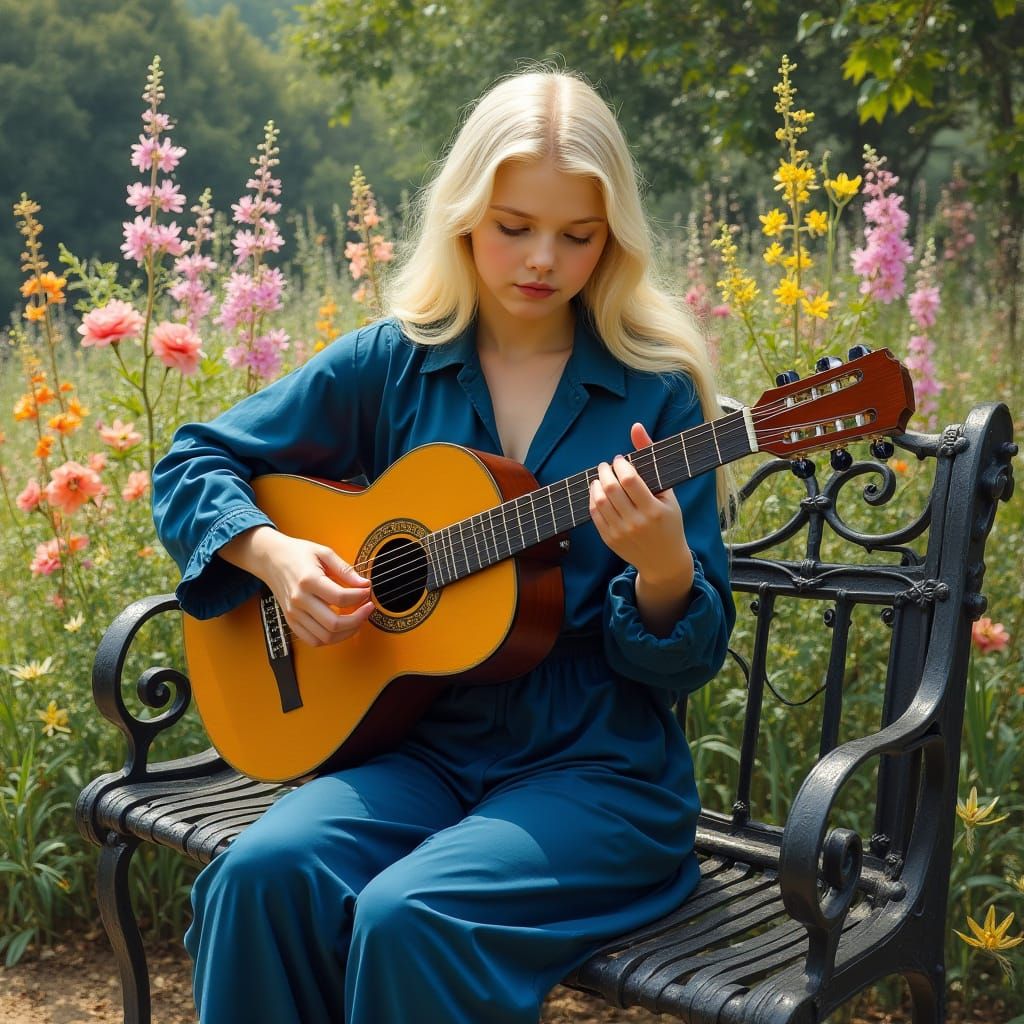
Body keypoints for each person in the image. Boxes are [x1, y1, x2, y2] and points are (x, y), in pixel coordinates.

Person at [152, 67, 736, 1024]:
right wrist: (275, 555)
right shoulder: (392, 363)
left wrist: (665, 568)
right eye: (515, 226)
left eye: (577, 235)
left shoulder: (656, 394)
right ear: (463, 216)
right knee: (261, 875)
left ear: (612, 237)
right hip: (415, 747)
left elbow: (685, 660)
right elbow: (194, 460)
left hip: (593, 770)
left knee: (410, 914)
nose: (543, 258)